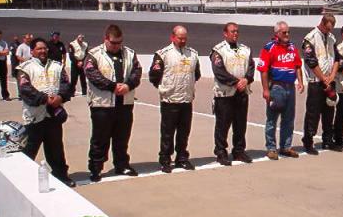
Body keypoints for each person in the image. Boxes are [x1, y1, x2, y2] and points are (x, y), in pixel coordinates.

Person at [85, 24, 142, 182]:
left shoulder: (130, 53)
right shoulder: (94, 55)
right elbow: (92, 75)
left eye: (119, 42)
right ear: (106, 39)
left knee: (122, 138)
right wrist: (113, 86)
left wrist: (128, 85)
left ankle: (122, 164)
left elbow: (137, 72)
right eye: (113, 43)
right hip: (102, 104)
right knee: (100, 139)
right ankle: (96, 168)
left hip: (124, 103)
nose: (117, 46)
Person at [17, 38, 75, 187]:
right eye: (39, 49)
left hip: (53, 116)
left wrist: (60, 97)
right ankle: (21, 180)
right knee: (29, 150)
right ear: (32, 51)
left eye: (44, 48)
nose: (43, 51)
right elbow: (25, 90)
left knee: (56, 149)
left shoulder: (57, 66)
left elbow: (66, 85)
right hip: (34, 117)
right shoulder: (25, 68)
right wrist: (44, 99)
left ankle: (61, 175)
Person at [149, 26, 200, 173]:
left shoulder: (193, 54)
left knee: (184, 132)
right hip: (169, 100)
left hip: (186, 100)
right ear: (173, 37)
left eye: (185, 38)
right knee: (167, 133)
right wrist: (166, 88)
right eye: (180, 38)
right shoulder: (163, 54)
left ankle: (182, 158)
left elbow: (196, 74)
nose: (183, 40)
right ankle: (165, 159)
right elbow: (154, 76)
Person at [257, 21, 304, 160]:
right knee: (272, 119)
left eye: (288, 32)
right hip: (276, 88)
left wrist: (300, 82)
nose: (287, 35)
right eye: (284, 32)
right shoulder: (269, 48)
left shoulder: (292, 47)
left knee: (289, 119)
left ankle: (286, 147)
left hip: (290, 87)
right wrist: (266, 90)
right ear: (277, 33)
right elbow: (263, 70)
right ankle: (271, 148)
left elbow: (297, 66)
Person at [210, 22, 255, 166]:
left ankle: (239, 151)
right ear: (225, 33)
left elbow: (251, 67)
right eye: (232, 31)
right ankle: (221, 152)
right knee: (222, 125)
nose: (235, 34)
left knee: (240, 125)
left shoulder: (246, 50)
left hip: (242, 93)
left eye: (237, 31)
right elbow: (219, 72)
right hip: (225, 94)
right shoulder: (218, 50)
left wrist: (246, 79)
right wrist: (236, 82)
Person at [302, 14, 342, 153]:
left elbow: (338, 58)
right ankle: (308, 141)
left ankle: (327, 140)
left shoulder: (331, 38)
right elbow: (310, 61)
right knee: (313, 113)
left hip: (330, 81)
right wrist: (323, 78)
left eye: (331, 29)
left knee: (329, 111)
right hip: (316, 82)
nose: (329, 31)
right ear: (322, 23)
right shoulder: (310, 38)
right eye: (327, 28)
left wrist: (331, 76)